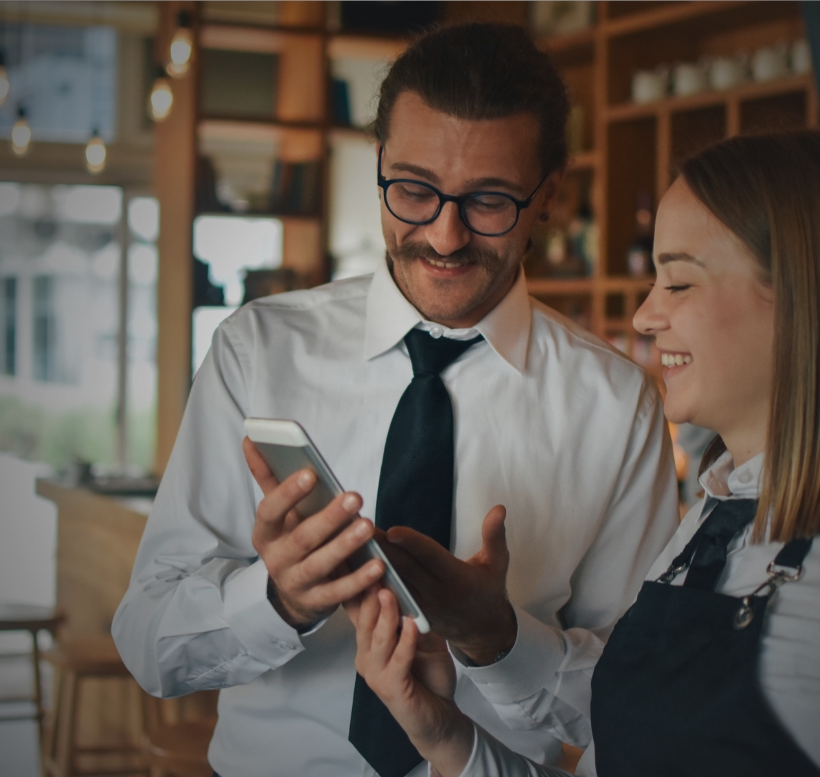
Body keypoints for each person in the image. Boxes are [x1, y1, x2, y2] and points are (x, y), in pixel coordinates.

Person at [351, 128, 820, 777]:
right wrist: (444, 734)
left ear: (803, 298)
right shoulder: (714, 516)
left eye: (677, 282)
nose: (644, 316)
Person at [111, 23, 680, 777]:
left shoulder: (616, 406)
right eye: (413, 190)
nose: (444, 236)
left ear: (549, 195)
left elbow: (640, 703)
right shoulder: (257, 350)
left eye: (488, 201)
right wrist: (277, 599)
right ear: (377, 163)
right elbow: (148, 644)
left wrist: (500, 642)